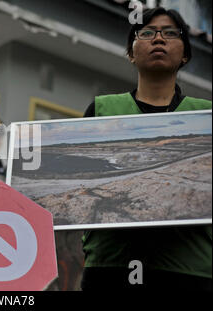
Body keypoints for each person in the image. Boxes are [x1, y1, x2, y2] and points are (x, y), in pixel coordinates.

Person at [81, 8, 212, 291]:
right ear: (131, 52)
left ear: (185, 54)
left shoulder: (207, 116)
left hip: (189, 270)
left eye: (170, 33)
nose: (159, 40)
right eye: (148, 33)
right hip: (110, 267)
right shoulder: (102, 110)